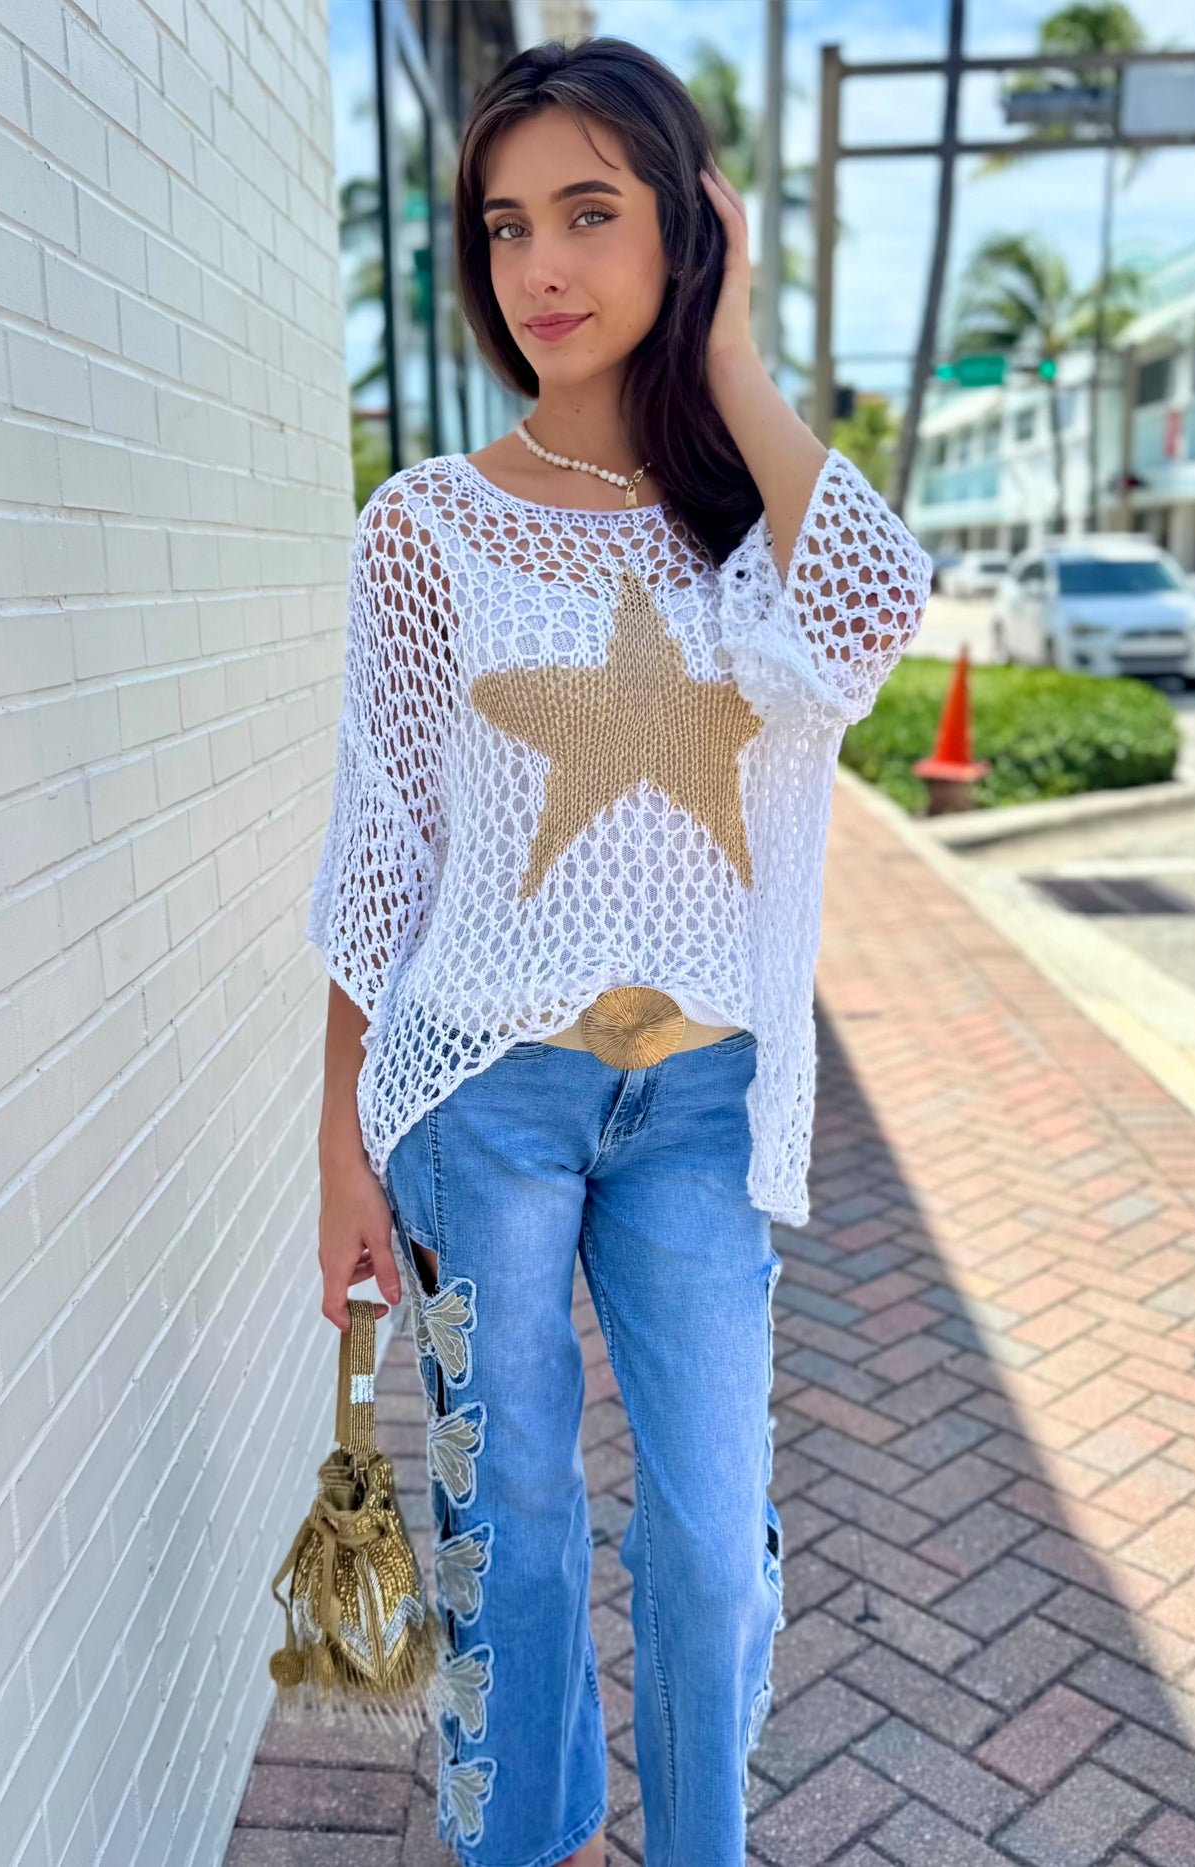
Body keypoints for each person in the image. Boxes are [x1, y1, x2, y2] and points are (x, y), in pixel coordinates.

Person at [306, 35, 932, 1867]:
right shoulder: (425, 528)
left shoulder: (751, 534)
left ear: (686, 231)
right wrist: (339, 1136)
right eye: (508, 227)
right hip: (477, 1096)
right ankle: (535, 1840)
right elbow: (379, 856)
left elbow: (872, 618)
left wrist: (731, 354)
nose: (543, 269)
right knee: (507, 1528)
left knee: (710, 1530)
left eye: (593, 213)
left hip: (703, 1099)